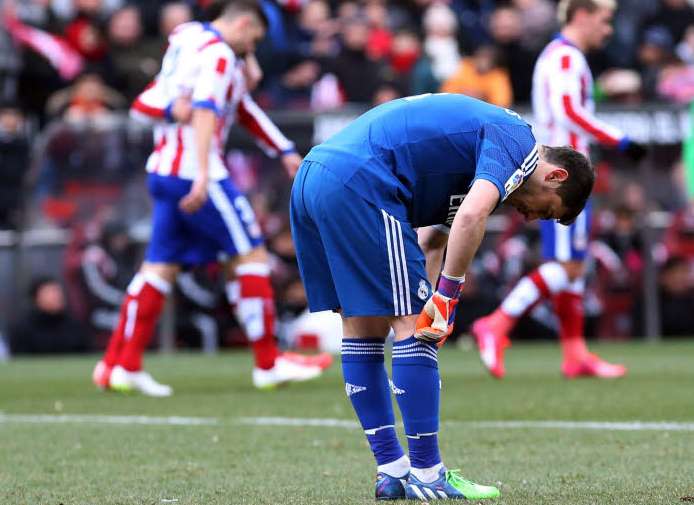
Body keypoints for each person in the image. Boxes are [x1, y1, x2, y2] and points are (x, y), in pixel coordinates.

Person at [290, 92, 594, 500]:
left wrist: (429, 301)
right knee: (414, 332)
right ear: (555, 177)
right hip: (361, 181)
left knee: (362, 327)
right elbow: (471, 216)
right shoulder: (517, 141)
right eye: (547, 210)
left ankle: (393, 472)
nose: (530, 216)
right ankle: (429, 476)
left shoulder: (474, 164)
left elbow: (433, 239)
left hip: (314, 177)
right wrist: (446, 299)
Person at [92, 0, 327, 397]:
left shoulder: (186, 38)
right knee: (250, 254)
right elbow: (205, 112)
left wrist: (283, 149)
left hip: (163, 171)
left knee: (160, 267)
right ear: (244, 25)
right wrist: (203, 174)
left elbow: (147, 104)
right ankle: (268, 363)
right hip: (197, 174)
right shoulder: (219, 56)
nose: (253, 50)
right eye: (253, 40)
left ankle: (119, 364)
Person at [471, 0, 647, 380]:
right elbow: (569, 110)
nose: (609, 29)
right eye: (604, 20)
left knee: (574, 265)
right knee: (567, 265)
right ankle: (498, 322)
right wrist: (621, 140)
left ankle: (574, 353)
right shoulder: (565, 58)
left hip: (561, 174)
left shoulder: (560, 57)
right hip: (559, 179)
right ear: (581, 15)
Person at [9, 276, 89, 354]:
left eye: (57, 292)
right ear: (36, 298)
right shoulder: (23, 329)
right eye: (49, 292)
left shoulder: (74, 325)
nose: (56, 296)